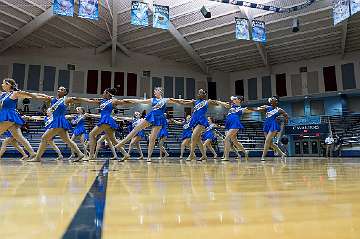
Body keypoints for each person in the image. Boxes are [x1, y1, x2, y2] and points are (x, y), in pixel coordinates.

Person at [115, 87, 184, 162]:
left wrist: (189, 101)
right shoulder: (152, 99)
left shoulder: (165, 100)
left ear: (160, 92)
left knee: (152, 138)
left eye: (156, 91)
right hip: (151, 116)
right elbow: (140, 101)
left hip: (160, 118)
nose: (154, 92)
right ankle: (121, 143)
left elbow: (178, 101)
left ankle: (149, 157)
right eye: (154, 91)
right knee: (136, 129)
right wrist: (129, 100)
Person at [28, 86, 85, 162]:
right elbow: (41, 97)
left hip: (60, 121)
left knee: (44, 138)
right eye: (59, 89)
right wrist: (31, 95)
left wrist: (93, 100)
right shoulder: (52, 99)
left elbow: (79, 99)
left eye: (62, 89)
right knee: (67, 140)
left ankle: (37, 157)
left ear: (65, 92)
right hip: (56, 121)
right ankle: (80, 154)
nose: (59, 90)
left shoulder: (66, 99)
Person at [74, 88, 128, 160]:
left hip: (106, 120)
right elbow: (89, 101)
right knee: (113, 140)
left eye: (104, 92)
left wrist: (135, 101)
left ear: (108, 93)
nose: (102, 94)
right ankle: (125, 154)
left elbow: (123, 102)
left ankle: (91, 156)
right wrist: (79, 99)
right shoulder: (101, 101)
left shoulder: (113, 101)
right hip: (106, 120)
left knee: (91, 134)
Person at [0, 78, 39, 160]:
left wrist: (34, 96)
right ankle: (32, 153)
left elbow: (27, 94)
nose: (2, 85)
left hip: (9, 116)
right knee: (20, 138)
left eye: (3, 83)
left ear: (9, 85)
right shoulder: (4, 95)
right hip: (6, 116)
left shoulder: (14, 93)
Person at [174, 89, 218, 161]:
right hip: (194, 121)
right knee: (198, 141)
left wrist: (214, 101)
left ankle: (191, 155)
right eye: (198, 93)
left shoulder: (206, 102)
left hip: (201, 121)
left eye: (201, 92)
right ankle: (204, 155)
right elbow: (184, 102)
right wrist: (175, 100)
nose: (199, 94)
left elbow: (216, 103)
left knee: (193, 136)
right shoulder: (195, 102)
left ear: (204, 94)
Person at [215, 96, 252, 161]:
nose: (234, 100)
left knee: (226, 139)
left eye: (235, 99)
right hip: (229, 124)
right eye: (234, 99)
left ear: (239, 100)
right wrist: (218, 101)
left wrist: (251, 108)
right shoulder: (231, 106)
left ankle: (226, 157)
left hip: (235, 123)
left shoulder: (241, 109)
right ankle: (245, 152)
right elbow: (225, 104)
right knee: (235, 142)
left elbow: (250, 110)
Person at [252, 96, 289, 161]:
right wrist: (250, 109)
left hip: (273, 125)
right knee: (270, 143)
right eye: (271, 100)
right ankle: (282, 154)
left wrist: (286, 120)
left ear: (276, 101)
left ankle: (263, 157)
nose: (271, 101)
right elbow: (257, 109)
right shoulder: (267, 107)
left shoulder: (279, 110)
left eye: (273, 99)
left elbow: (286, 115)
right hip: (266, 124)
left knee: (267, 141)